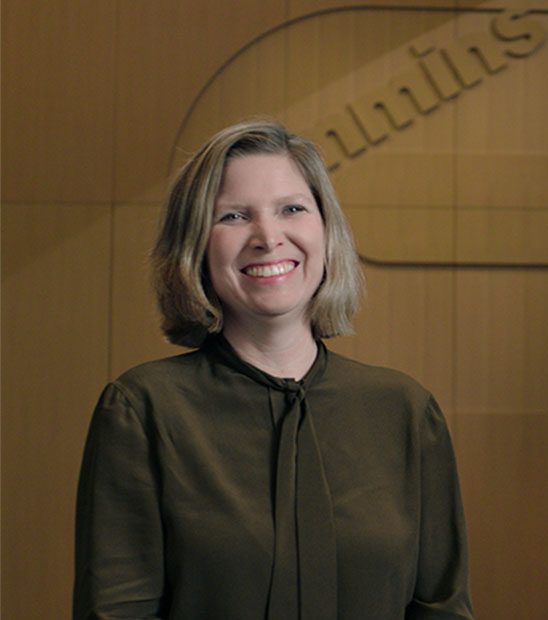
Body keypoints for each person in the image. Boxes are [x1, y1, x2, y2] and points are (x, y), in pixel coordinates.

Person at [74, 119, 474, 620]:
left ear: (325, 230)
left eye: (292, 209)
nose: (267, 236)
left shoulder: (406, 411)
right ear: (195, 246)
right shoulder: (142, 410)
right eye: (234, 216)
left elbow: (442, 609)